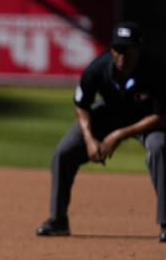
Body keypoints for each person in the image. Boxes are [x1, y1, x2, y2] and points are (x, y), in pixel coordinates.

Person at [36, 21, 166, 242]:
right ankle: (58, 220)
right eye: (118, 48)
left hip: (146, 120)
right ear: (111, 49)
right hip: (109, 114)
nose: (122, 55)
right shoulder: (97, 68)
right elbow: (81, 105)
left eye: (128, 49)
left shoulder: (155, 69)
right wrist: (89, 139)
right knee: (64, 152)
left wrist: (119, 135)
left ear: (139, 49)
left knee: (159, 147)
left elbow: (161, 116)